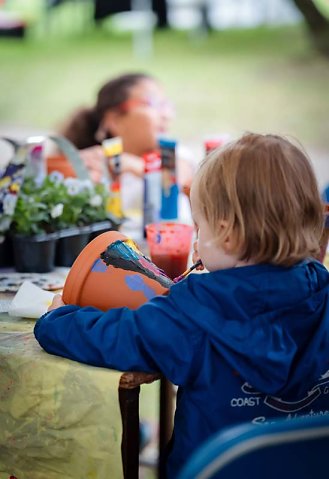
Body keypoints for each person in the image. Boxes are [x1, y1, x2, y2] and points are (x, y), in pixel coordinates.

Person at [35, 133, 329, 477]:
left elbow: (118, 337)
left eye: (199, 227)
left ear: (226, 233)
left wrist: (57, 319)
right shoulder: (321, 295)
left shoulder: (195, 312)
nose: (197, 239)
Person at [48, 72, 194, 211]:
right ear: (115, 120)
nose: (166, 115)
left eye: (166, 105)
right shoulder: (96, 164)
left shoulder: (176, 154)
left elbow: (180, 178)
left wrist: (131, 164)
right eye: (153, 104)